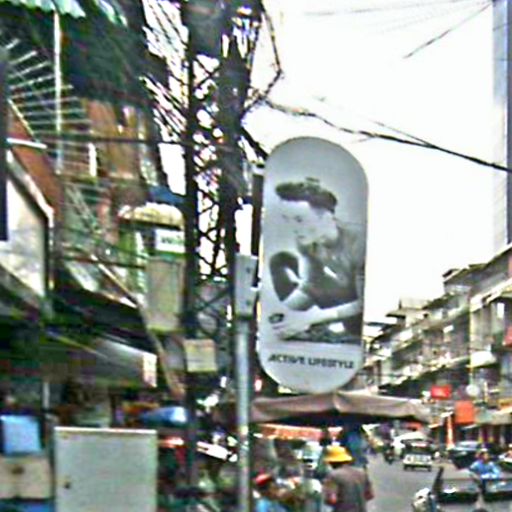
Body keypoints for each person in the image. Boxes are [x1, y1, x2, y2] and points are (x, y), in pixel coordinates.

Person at [268, 177, 365, 344]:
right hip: (343, 294)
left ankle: (330, 331)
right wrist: (283, 314)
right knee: (280, 259)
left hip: (362, 312)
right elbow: (310, 285)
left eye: (299, 220)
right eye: (287, 220)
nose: (293, 228)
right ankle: (299, 327)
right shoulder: (305, 241)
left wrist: (311, 319)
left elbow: (365, 303)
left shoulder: (360, 242)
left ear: (326, 218)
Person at [322, 445, 374, 512]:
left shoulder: (333, 475)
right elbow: (370, 495)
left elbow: (332, 499)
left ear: (332, 462)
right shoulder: (362, 473)